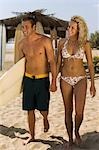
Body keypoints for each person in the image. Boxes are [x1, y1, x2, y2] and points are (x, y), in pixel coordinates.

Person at [56, 15, 96, 148]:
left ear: (79, 29)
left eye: (72, 27)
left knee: (79, 112)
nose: (69, 29)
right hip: (65, 79)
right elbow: (57, 63)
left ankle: (77, 132)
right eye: (69, 27)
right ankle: (70, 139)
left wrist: (93, 84)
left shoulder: (85, 44)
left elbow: (90, 65)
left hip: (80, 79)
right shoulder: (62, 43)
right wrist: (53, 81)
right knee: (68, 110)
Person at [17, 16, 57, 144]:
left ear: (34, 27)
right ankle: (32, 135)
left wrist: (54, 81)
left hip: (42, 79)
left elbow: (52, 61)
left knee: (43, 108)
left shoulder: (45, 41)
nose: (24, 30)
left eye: (27, 27)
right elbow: (20, 65)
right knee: (29, 109)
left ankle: (45, 118)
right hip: (28, 79)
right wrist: (19, 84)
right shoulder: (21, 44)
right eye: (23, 27)